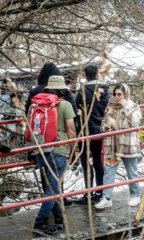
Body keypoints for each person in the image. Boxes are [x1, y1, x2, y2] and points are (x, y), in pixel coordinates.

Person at [25, 62, 76, 206]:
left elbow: (27, 114)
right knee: (57, 174)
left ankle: (49, 201)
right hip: (58, 141)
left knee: (45, 174)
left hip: (39, 140)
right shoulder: (63, 92)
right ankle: (58, 200)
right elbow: (73, 111)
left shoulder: (35, 92)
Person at [32, 76, 76, 235]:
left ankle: (59, 220)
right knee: (54, 188)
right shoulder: (65, 105)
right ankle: (40, 223)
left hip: (40, 150)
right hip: (57, 151)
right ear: (62, 89)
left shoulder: (36, 104)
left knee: (52, 187)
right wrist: (74, 150)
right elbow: (71, 130)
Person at [95, 84, 142, 209]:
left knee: (131, 171)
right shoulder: (112, 108)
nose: (117, 97)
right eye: (115, 94)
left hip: (127, 145)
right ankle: (106, 197)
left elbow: (136, 122)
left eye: (119, 94)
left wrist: (126, 108)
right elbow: (103, 124)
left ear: (126, 94)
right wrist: (106, 127)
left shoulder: (134, 107)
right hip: (113, 145)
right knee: (109, 171)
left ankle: (135, 196)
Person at [74, 64, 109, 204]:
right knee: (97, 161)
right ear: (98, 74)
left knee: (86, 163)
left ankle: (88, 194)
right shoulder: (105, 90)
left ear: (84, 75)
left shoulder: (83, 90)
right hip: (99, 129)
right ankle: (100, 191)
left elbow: (76, 109)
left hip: (85, 130)